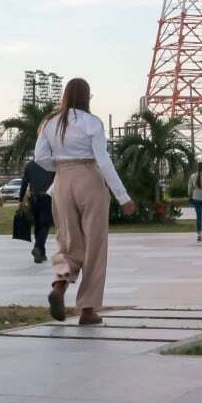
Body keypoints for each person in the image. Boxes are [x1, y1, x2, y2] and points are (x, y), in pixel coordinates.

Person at [34, 78, 136, 325]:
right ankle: (88, 310)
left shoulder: (50, 123)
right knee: (94, 245)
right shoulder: (92, 122)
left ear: (65, 96)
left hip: (62, 181)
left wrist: (61, 166)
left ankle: (59, 286)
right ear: (87, 97)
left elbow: (39, 157)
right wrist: (123, 197)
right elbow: (103, 160)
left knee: (67, 240)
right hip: (89, 179)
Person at [18, 158, 56, 263]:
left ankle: (40, 254)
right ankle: (38, 247)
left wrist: (20, 200)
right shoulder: (51, 165)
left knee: (38, 225)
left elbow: (24, 182)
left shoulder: (29, 165)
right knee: (44, 225)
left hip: (33, 198)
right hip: (47, 197)